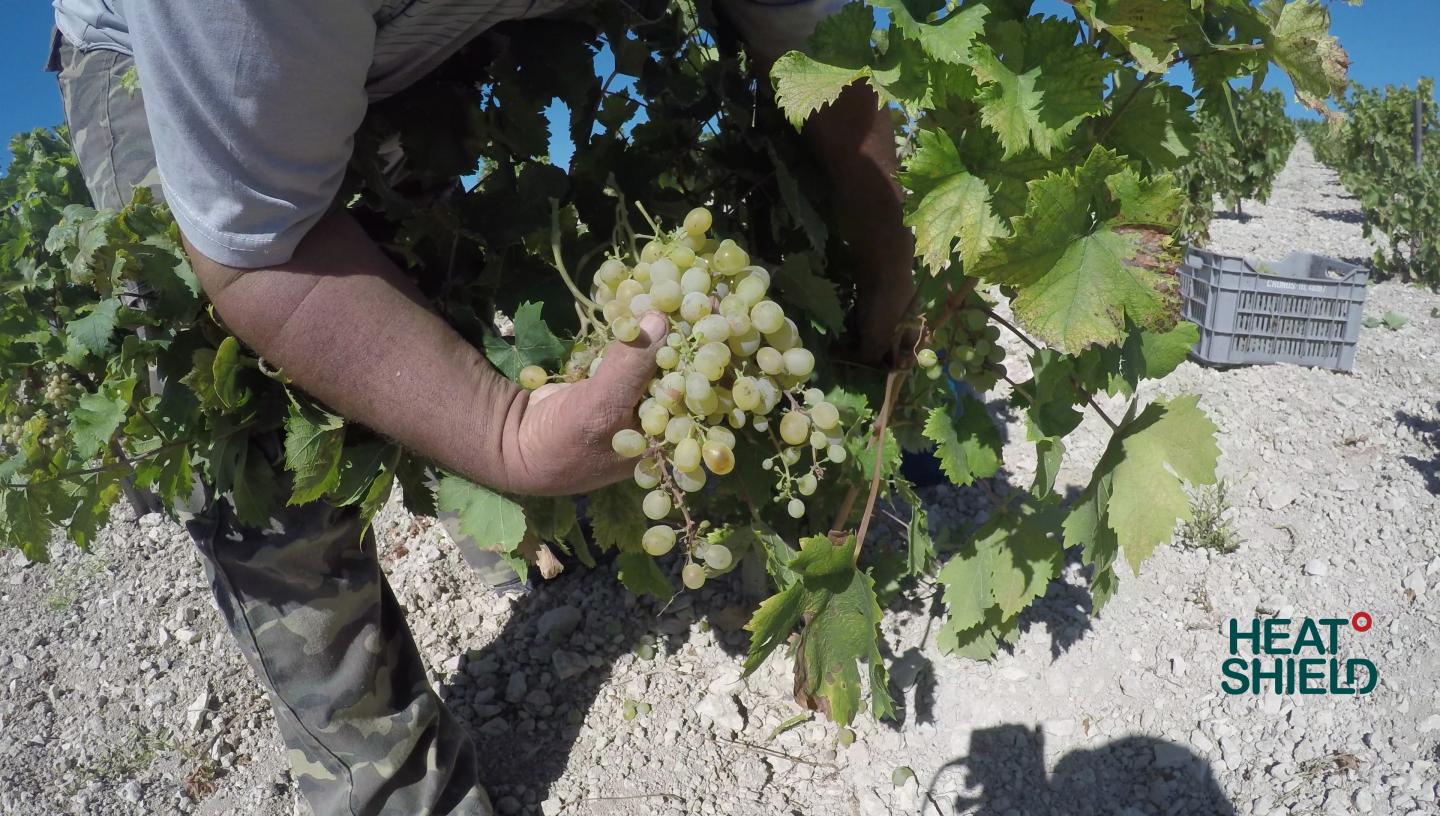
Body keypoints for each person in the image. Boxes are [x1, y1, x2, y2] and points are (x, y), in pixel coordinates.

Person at [48, 0, 915, 812]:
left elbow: (810, 37)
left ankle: (512, 531)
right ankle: (391, 785)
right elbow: (259, 252)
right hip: (167, 65)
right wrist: (505, 435)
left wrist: (885, 240)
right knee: (253, 421)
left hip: (408, 37)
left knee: (445, 277)